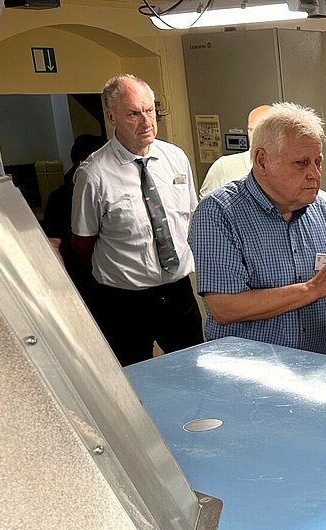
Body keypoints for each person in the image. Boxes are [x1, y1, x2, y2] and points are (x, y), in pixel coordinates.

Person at [189, 102, 326, 355]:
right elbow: (226, 308)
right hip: (250, 373)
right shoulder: (218, 212)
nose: (314, 173)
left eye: (318, 162)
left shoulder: (321, 207)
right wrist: (311, 289)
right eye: (301, 163)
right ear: (262, 161)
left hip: (317, 366)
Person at [72, 74, 204, 366]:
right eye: (133, 113)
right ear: (112, 117)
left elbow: (190, 219)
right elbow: (82, 243)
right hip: (124, 302)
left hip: (178, 293)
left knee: (195, 370)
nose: (146, 122)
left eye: (150, 110)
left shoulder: (175, 158)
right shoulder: (94, 174)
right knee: (135, 381)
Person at [43, 133, 106, 303]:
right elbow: (53, 245)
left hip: (104, 275)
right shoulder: (61, 197)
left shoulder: (58, 195)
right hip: (83, 275)